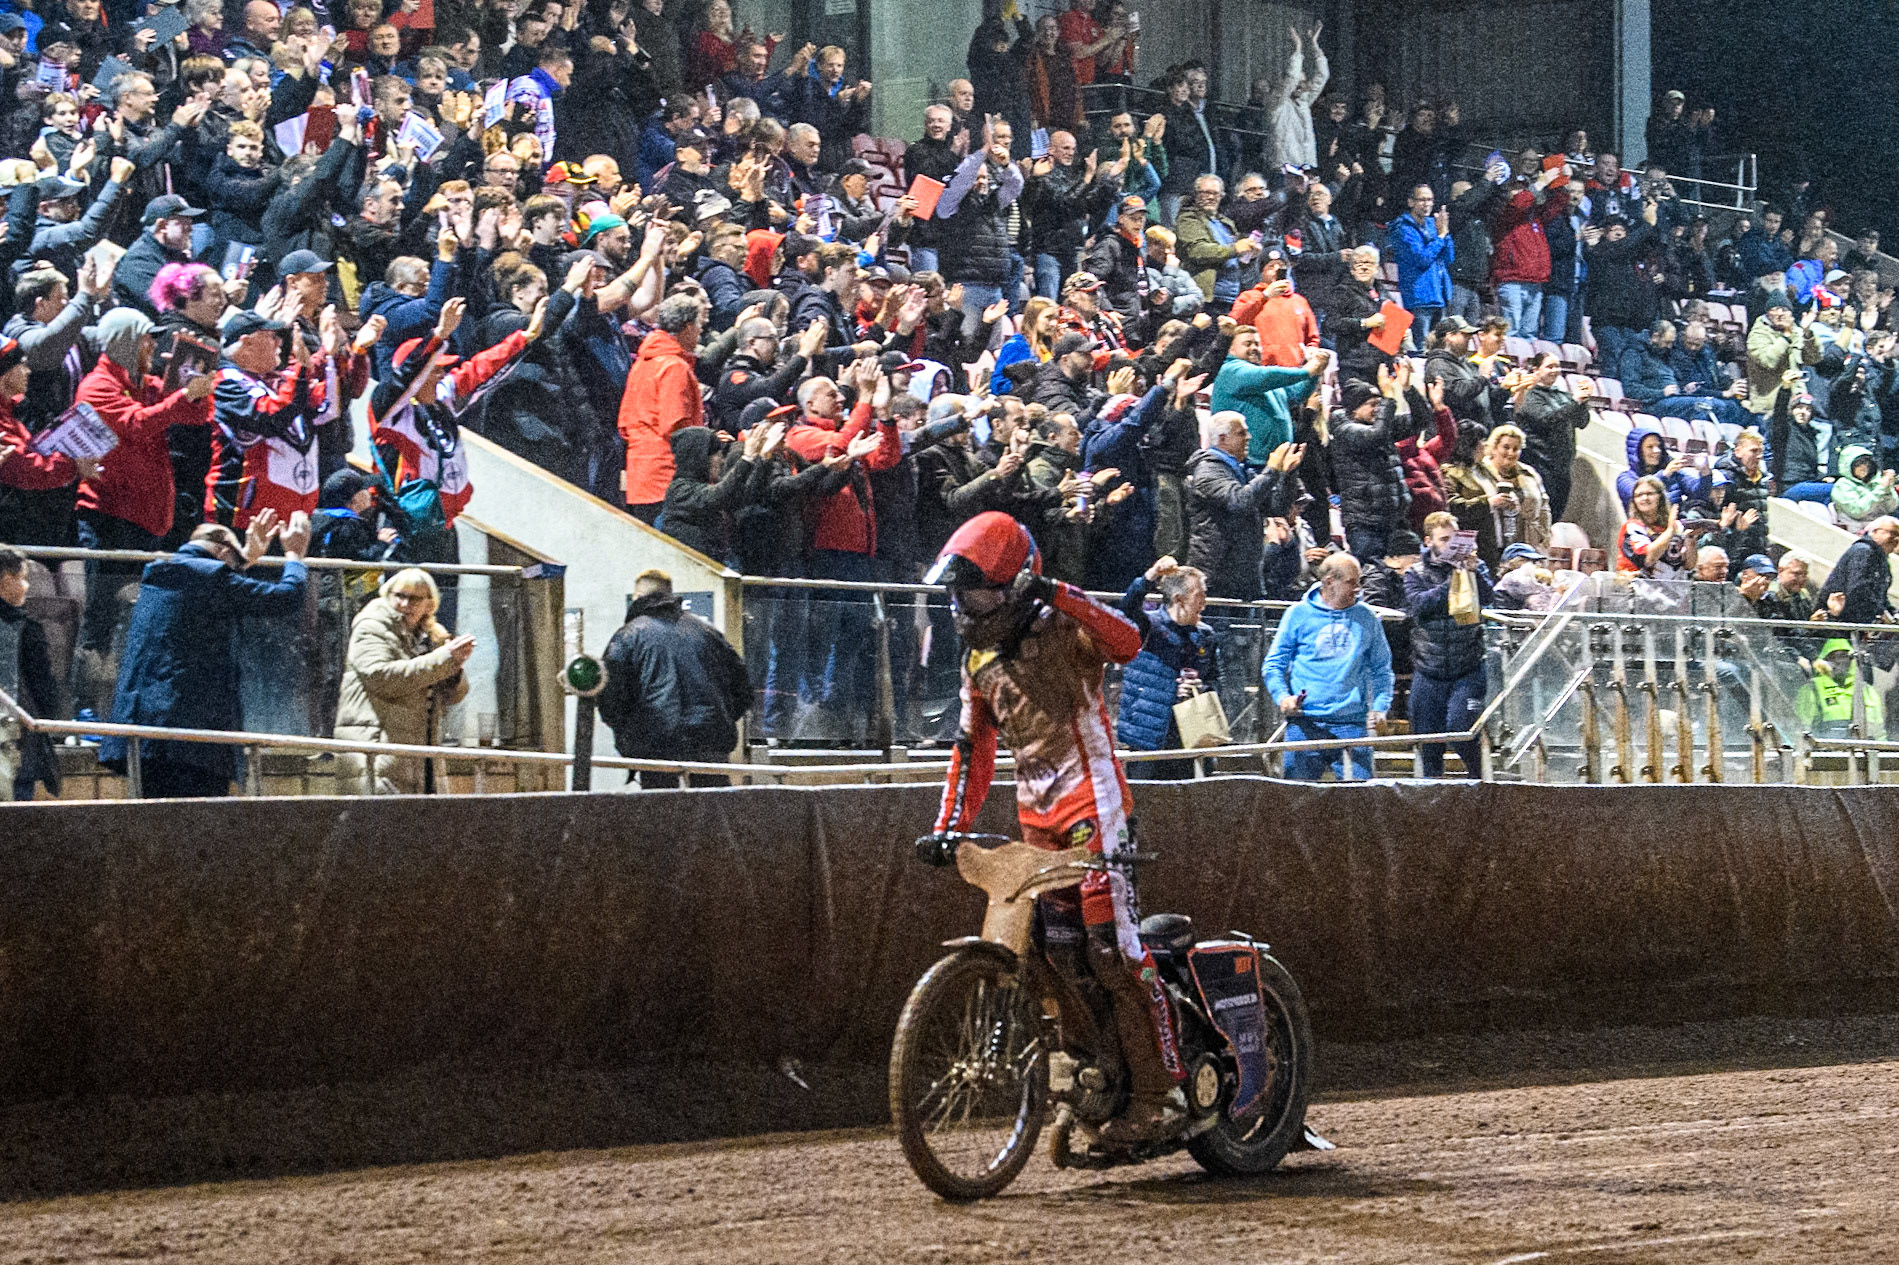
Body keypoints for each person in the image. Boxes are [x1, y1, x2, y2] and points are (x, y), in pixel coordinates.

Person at [923, 511, 1184, 1150]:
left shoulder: (1062, 625)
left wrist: (1062, 593)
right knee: (1052, 956)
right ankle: (1100, 1077)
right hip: (1036, 821)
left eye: (974, 587)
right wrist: (948, 825)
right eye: (956, 589)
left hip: (1095, 805)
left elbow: (1128, 641)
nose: (961, 601)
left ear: (1014, 583)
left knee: (1112, 952)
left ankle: (1162, 1093)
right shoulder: (977, 658)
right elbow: (972, 750)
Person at [98, 510, 312, 798]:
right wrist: (295, 556)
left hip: (145, 735)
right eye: (235, 560)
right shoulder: (210, 577)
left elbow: (216, 589)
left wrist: (246, 556)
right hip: (192, 741)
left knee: (152, 825)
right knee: (199, 827)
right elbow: (286, 598)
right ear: (223, 552)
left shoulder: (161, 574)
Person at [596, 568, 752, 788]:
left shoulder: (628, 636)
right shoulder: (708, 632)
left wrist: (630, 734)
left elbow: (610, 696)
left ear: (638, 597)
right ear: (670, 594)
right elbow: (743, 690)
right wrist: (718, 717)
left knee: (660, 814)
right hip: (709, 738)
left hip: (655, 742)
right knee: (713, 813)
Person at [332, 567, 473, 796]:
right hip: (376, 753)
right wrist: (445, 659)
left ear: (429, 604)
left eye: (414, 598)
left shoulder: (433, 637)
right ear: (387, 596)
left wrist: (454, 669)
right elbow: (382, 677)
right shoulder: (372, 626)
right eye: (399, 596)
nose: (405, 604)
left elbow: (454, 695)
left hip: (417, 757)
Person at [1263, 551, 1394, 781]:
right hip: (1305, 725)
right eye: (1351, 582)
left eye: (1360, 582)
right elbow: (1273, 665)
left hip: (1351, 725)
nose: (1358, 588)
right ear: (1329, 582)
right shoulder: (1298, 614)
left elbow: (1382, 669)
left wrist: (1380, 706)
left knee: (1359, 803)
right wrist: (1283, 697)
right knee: (1298, 803)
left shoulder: (1367, 618)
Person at [1405, 511, 1494, 777]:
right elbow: (1419, 606)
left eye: (1455, 539)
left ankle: (1482, 786)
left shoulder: (1474, 567)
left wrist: (1474, 572)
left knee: (1462, 730)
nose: (1451, 545)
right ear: (1428, 541)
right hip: (1429, 668)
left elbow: (1489, 597)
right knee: (1428, 742)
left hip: (1467, 667)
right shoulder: (1415, 572)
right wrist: (1452, 582)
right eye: (1444, 540)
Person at [1185, 412, 1301, 600]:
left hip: (1245, 574)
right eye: (1241, 433)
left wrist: (1288, 473)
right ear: (1222, 438)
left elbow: (1275, 508)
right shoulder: (1207, 471)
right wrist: (1272, 470)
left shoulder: (1241, 471)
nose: (1249, 437)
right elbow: (1240, 502)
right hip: (1218, 575)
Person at [0, 544, 60, 801]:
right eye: (21, 579)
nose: (27, 587)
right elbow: (43, 685)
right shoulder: (24, 628)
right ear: (3, 580)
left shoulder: (25, 625)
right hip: (16, 734)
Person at [1796, 639, 1885, 740]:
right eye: (1833, 657)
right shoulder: (1812, 689)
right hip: (1824, 751)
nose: (1839, 661)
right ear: (1825, 660)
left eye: (1844, 656)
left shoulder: (1866, 690)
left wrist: (1884, 752)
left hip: (1863, 750)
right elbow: (1802, 727)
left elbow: (1878, 730)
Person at [1817, 515, 1899, 625]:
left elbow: (1880, 597)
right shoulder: (1863, 552)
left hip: (1857, 624)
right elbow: (1858, 589)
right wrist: (1881, 612)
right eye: (1893, 533)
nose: (1896, 539)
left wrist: (1892, 612)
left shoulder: (1882, 560)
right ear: (1875, 532)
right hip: (1838, 624)